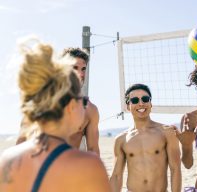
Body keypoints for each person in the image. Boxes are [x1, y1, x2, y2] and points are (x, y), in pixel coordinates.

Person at [0, 39, 111, 191]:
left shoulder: (7, 160)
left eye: (84, 68)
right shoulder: (90, 165)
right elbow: (21, 140)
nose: (80, 73)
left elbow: (94, 148)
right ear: (72, 106)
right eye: (82, 101)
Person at [109, 83, 182, 192]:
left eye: (145, 99)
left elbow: (175, 169)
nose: (141, 103)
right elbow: (116, 176)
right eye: (135, 101)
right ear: (127, 106)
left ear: (150, 103)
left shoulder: (167, 132)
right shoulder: (121, 139)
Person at [62, 48, 100, 155]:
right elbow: (23, 142)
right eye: (74, 68)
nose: (80, 74)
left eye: (83, 69)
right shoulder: (44, 102)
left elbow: (93, 150)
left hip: (70, 169)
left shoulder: (90, 110)